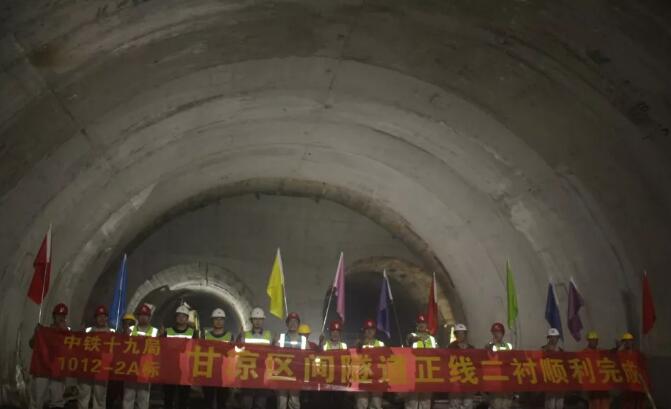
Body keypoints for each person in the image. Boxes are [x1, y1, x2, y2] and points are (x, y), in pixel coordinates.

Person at [29, 303, 70, 409]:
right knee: (38, 397)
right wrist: (36, 334)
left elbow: (72, 350)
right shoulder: (44, 331)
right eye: (58, 315)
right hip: (43, 368)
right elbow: (32, 344)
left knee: (57, 398)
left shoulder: (68, 333)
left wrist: (66, 333)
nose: (61, 318)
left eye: (63, 315)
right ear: (54, 316)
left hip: (58, 368)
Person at [122, 304, 158, 409]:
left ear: (149, 317)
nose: (143, 317)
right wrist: (125, 334)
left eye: (145, 315)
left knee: (143, 398)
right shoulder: (130, 330)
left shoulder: (155, 332)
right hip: (131, 367)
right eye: (141, 315)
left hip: (146, 368)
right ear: (137, 317)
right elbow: (123, 346)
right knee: (128, 396)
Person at [79, 305, 114, 409]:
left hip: (102, 367)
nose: (101, 319)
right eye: (99, 316)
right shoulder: (88, 331)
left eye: (104, 316)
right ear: (95, 318)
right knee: (83, 394)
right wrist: (80, 334)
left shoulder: (111, 334)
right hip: (87, 366)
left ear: (107, 318)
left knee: (100, 396)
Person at [162, 305, 196, 409]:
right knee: (168, 398)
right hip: (170, 370)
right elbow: (161, 348)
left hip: (185, 370)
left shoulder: (193, 333)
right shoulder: (167, 331)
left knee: (184, 399)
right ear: (175, 318)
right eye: (179, 316)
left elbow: (196, 351)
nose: (181, 318)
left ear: (187, 318)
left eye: (183, 316)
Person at [240, 307, 273, 409]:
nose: (257, 321)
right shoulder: (244, 336)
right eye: (255, 319)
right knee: (246, 403)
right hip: (248, 373)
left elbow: (273, 353)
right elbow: (238, 353)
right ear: (251, 320)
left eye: (260, 319)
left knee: (261, 403)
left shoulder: (269, 335)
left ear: (263, 320)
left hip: (263, 373)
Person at [202, 308, 232, 409]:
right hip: (208, 374)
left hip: (223, 374)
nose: (218, 322)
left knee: (222, 402)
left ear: (224, 321)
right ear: (212, 321)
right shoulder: (206, 337)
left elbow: (233, 356)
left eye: (221, 319)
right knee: (208, 402)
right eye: (216, 319)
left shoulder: (230, 336)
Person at [276, 312, 307, 409]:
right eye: (290, 321)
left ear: (298, 324)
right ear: (287, 323)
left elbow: (309, 356)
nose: (293, 324)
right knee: (281, 402)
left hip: (296, 375)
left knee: (294, 402)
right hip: (282, 374)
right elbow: (274, 354)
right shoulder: (280, 338)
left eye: (295, 322)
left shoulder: (303, 340)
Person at [405, 314, 436, 409]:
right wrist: (416, 339)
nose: (422, 325)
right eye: (420, 323)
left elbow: (438, 353)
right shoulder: (412, 335)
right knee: (412, 400)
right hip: (414, 372)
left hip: (428, 372)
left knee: (425, 400)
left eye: (424, 323)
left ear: (427, 325)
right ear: (417, 325)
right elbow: (408, 342)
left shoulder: (432, 339)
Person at [319, 321, 348, 409]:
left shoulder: (344, 346)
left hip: (339, 380)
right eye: (333, 331)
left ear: (340, 333)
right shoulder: (325, 345)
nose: (335, 334)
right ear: (330, 333)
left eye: (337, 332)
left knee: (339, 402)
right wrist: (320, 344)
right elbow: (318, 356)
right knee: (325, 402)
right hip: (326, 379)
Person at [355, 319, 384, 409]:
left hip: (377, 377)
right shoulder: (359, 344)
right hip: (363, 376)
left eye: (372, 329)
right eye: (367, 329)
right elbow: (354, 359)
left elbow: (385, 359)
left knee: (376, 403)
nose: (369, 331)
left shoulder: (381, 344)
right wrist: (358, 346)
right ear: (364, 331)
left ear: (375, 331)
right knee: (362, 403)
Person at [485, 322, 513, 409]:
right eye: (494, 332)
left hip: (506, 379)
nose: (496, 334)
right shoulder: (488, 346)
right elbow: (487, 356)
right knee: (496, 403)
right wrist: (492, 344)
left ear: (503, 333)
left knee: (506, 404)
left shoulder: (508, 346)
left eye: (499, 332)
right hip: (495, 379)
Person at [447, 324, 474, 409]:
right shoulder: (451, 347)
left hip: (468, 379)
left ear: (465, 334)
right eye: (458, 333)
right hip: (455, 380)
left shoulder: (471, 349)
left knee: (468, 403)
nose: (460, 335)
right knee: (454, 404)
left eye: (462, 333)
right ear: (455, 335)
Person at [584, 331, 609, 409]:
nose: (594, 342)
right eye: (592, 340)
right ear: (588, 341)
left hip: (602, 383)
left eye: (595, 340)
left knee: (604, 403)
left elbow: (611, 355)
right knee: (594, 403)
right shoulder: (584, 353)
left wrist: (617, 348)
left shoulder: (601, 352)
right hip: (592, 383)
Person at [541, 328, 564, 409]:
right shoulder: (542, 350)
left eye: (555, 337)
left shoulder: (561, 351)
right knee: (550, 403)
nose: (554, 339)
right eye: (552, 337)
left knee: (559, 404)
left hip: (560, 379)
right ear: (548, 338)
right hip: (549, 379)